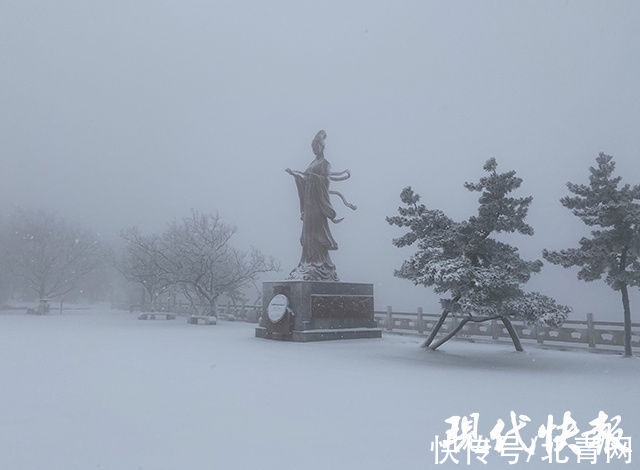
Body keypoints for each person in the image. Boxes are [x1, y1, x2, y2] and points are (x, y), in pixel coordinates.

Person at [285, 130, 354, 281]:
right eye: (313, 148)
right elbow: (305, 178)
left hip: (317, 203)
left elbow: (326, 180)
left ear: (321, 147)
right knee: (308, 233)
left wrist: (312, 178)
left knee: (316, 232)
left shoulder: (325, 164)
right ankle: (307, 262)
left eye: (316, 146)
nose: (314, 150)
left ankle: (320, 262)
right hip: (309, 204)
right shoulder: (312, 164)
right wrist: (297, 176)